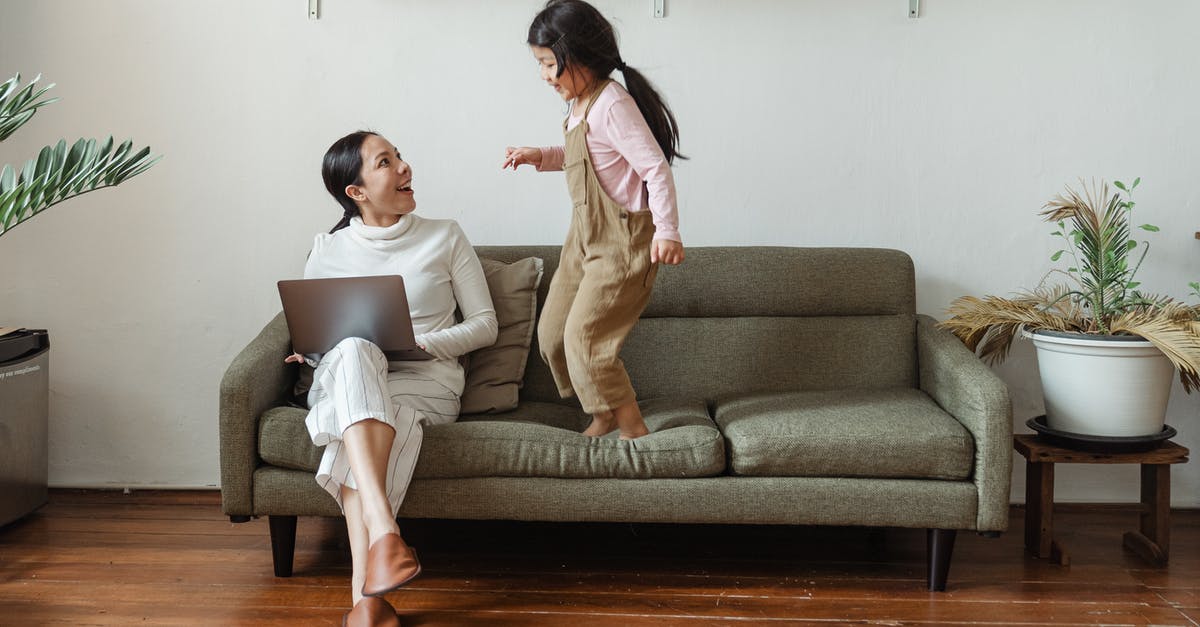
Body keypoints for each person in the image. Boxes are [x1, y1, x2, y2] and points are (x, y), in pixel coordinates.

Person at [288, 131, 498, 626]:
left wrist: (426, 342)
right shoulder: (327, 250)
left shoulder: (444, 235)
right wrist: (311, 352)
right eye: (386, 162)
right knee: (356, 348)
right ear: (355, 191)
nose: (405, 168)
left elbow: (486, 324)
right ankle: (383, 539)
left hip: (425, 379)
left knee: (371, 424)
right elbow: (320, 338)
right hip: (349, 375)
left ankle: (368, 600)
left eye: (400, 156)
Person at [502, 0, 685, 440]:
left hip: (621, 242)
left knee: (585, 343)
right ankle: (600, 410)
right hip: (582, 239)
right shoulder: (581, 105)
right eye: (540, 64)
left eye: (549, 64)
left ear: (579, 55)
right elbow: (587, 154)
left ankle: (633, 430)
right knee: (551, 336)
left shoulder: (611, 104)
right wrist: (540, 156)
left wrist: (668, 230)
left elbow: (654, 168)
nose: (544, 75)